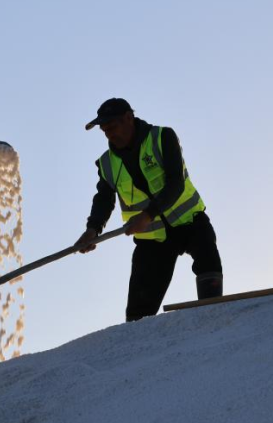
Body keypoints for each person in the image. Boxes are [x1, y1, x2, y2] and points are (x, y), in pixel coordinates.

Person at [75, 98, 223, 321]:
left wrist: (147, 215)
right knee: (138, 314)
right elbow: (104, 200)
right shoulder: (107, 164)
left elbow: (176, 183)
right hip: (152, 240)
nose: (109, 135)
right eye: (104, 131)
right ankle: (135, 348)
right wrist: (92, 230)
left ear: (129, 118)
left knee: (208, 258)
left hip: (190, 221)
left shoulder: (163, 137)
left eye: (112, 127)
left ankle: (212, 317)